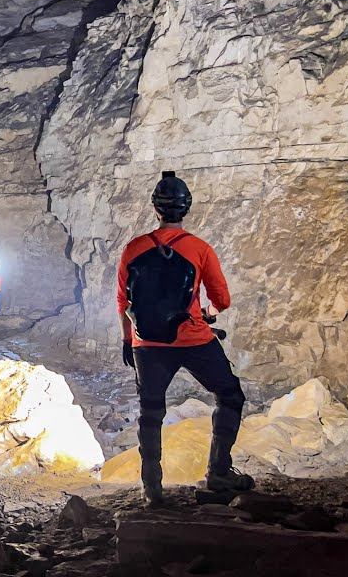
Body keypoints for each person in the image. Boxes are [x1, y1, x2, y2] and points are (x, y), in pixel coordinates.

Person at [117, 171, 252, 506]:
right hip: (192, 339)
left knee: (150, 411)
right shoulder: (200, 249)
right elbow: (222, 298)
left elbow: (123, 301)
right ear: (186, 207)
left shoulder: (133, 249)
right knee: (229, 395)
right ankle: (219, 473)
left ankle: (153, 489)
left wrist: (127, 341)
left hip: (146, 344)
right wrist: (208, 312)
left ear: (156, 208)